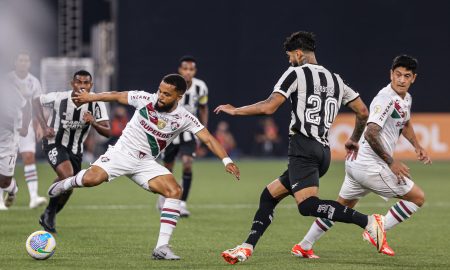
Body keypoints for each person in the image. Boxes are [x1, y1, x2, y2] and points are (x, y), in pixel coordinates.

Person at [215, 31, 386, 265]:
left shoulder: (295, 73)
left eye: (289, 56)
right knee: (268, 196)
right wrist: (354, 138)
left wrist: (235, 110)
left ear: (298, 53)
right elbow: (363, 112)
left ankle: (368, 222)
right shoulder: (336, 79)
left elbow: (269, 106)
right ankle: (246, 247)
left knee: (307, 206)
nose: (289, 61)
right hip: (323, 152)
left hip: (303, 148)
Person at [46, 74, 240, 260]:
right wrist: (91, 97)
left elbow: (208, 138)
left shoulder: (184, 118)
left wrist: (227, 160)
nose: (160, 96)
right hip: (121, 153)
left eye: (166, 94)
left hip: (145, 163)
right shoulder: (145, 98)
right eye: (159, 91)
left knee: (174, 190)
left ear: (179, 96)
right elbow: (117, 95)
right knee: (90, 180)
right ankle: (66, 184)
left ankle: (161, 248)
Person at [294, 55, 429, 257]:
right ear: (391, 74)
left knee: (340, 207)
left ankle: (303, 246)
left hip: (356, 164)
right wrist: (391, 162)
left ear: (413, 78)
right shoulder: (385, 99)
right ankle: (376, 229)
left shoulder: (405, 98)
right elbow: (370, 132)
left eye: (406, 76)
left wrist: (417, 146)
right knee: (417, 197)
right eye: (398, 75)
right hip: (370, 166)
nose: (401, 80)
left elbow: (405, 122)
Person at [34, 70, 111, 233]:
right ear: (72, 84)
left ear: (91, 86)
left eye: (86, 83)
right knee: (67, 175)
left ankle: (50, 213)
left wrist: (94, 123)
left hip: (76, 149)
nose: (82, 86)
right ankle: (49, 212)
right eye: (78, 82)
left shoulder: (96, 103)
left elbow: (107, 131)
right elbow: (35, 101)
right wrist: (44, 126)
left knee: (70, 186)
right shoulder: (59, 98)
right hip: (53, 142)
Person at [158, 56, 209, 217]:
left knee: (187, 164)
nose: (188, 72)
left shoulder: (201, 87)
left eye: (191, 69)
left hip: (189, 133)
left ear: (195, 71)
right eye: (185, 69)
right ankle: (164, 197)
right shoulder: (170, 85)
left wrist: (203, 129)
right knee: (168, 168)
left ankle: (182, 203)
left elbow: (203, 108)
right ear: (180, 70)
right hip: (170, 133)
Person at [1, 53, 47, 209]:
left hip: (24, 127)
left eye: (26, 60)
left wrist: (39, 125)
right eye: (20, 60)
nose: (23, 63)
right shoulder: (7, 79)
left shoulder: (34, 82)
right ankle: (2, 198)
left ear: (29, 63)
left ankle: (33, 197)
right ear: (15, 62)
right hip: (5, 129)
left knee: (29, 157)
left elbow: (35, 105)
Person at [0, 73, 31, 210]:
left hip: (8, 140)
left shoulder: (8, 90)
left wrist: (24, 126)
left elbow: (26, 106)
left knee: (4, 181)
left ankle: (13, 189)